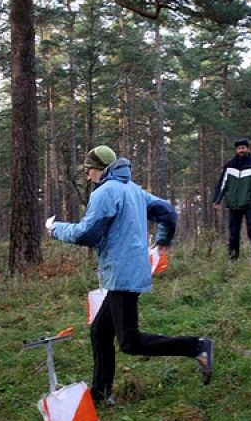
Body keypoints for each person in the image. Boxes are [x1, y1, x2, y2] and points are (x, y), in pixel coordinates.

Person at [48, 145, 214, 405]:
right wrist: (163, 239)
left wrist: (55, 228)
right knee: (100, 332)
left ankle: (197, 347)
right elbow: (167, 210)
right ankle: (101, 394)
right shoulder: (133, 189)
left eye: (89, 170)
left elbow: (87, 234)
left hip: (122, 274)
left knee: (130, 342)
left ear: (100, 170)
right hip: (128, 272)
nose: (88, 176)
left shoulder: (106, 191)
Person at [213, 138, 251, 262]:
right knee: (233, 234)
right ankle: (232, 259)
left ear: (248, 149)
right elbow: (222, 184)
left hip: (250, 204)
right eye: (239, 148)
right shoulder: (229, 166)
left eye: (243, 147)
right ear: (236, 150)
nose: (241, 150)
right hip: (234, 204)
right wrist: (217, 200)